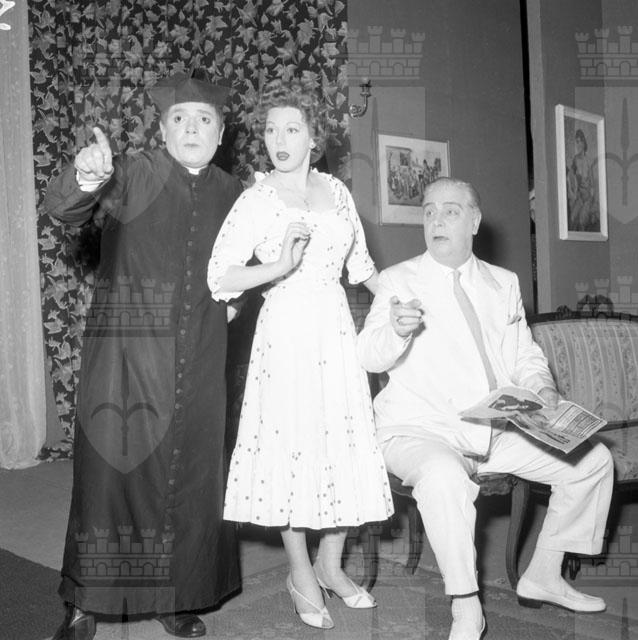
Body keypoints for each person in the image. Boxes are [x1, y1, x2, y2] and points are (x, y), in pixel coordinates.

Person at [356, 177, 614, 640]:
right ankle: (466, 604)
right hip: (420, 430)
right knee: (443, 477)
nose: (436, 220)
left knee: (593, 462)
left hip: (494, 427)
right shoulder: (397, 280)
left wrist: (542, 388)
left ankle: (544, 573)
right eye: (429, 211)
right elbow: (368, 356)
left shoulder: (503, 282)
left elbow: (524, 354)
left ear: (474, 221)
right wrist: (395, 330)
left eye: (450, 211)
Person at [44, 72, 242, 640]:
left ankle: (175, 597)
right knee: (108, 478)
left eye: (204, 120)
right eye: (179, 119)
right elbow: (64, 208)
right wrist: (87, 175)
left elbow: (257, 262)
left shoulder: (235, 192)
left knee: (191, 475)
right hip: (125, 354)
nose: (191, 129)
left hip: (200, 353)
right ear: (162, 129)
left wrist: (239, 299)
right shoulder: (132, 173)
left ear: (221, 133)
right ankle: (83, 603)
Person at [207, 78, 393, 630]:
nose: (279, 140)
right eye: (270, 130)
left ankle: (331, 564)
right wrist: (279, 267)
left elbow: (362, 268)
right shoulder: (257, 199)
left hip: (334, 328)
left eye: (292, 129)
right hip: (285, 329)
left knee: (341, 441)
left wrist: (404, 299)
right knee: (293, 447)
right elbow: (220, 275)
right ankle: (300, 572)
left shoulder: (336, 191)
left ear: (315, 138)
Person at [566, 128, 597, 231]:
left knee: (581, 222)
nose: (578, 144)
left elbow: (593, 185)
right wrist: (571, 190)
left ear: (584, 142)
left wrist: (592, 203)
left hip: (587, 198)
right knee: (571, 218)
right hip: (579, 197)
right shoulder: (575, 159)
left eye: (579, 141)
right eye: (576, 142)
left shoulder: (589, 161)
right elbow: (569, 175)